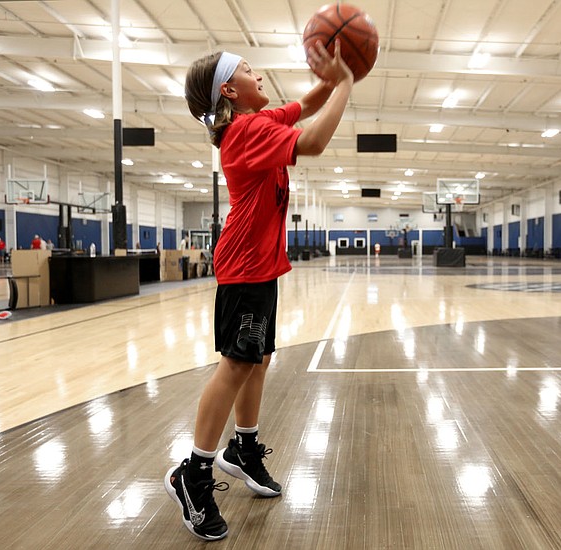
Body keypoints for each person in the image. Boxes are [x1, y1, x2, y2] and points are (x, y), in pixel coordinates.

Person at [164, 40, 353, 542]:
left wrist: (335, 77)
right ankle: (194, 475)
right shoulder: (245, 130)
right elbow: (312, 141)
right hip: (244, 267)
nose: (260, 75)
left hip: (260, 266)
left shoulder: (259, 121)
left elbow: (305, 106)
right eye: (249, 70)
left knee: (259, 359)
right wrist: (348, 87)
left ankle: (242, 450)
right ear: (230, 90)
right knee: (236, 364)